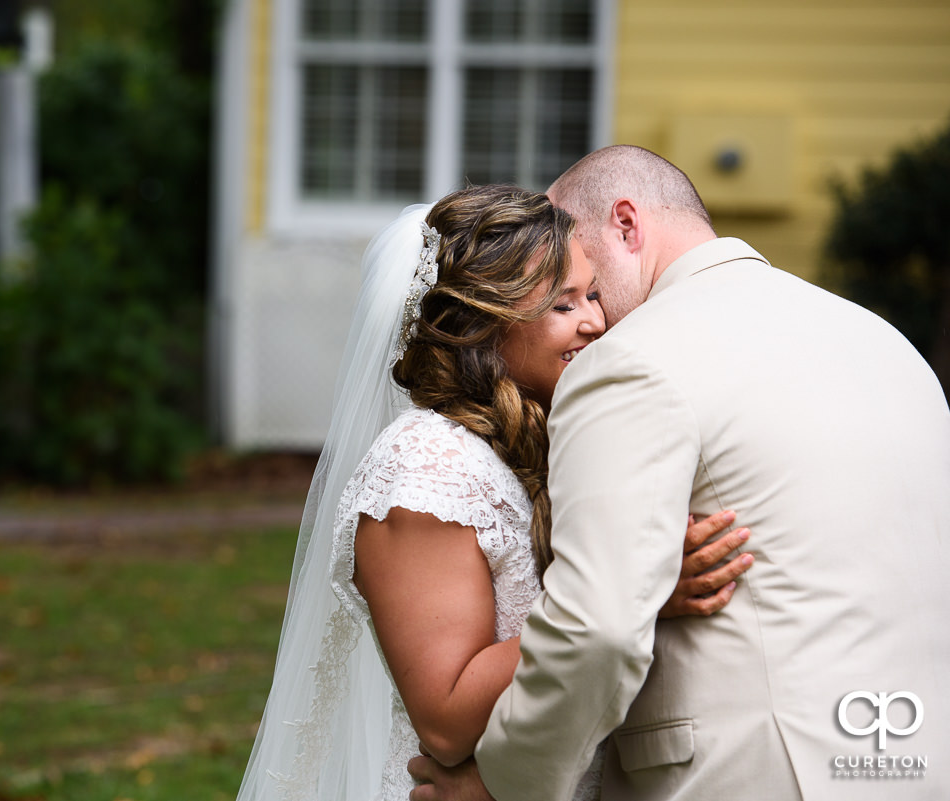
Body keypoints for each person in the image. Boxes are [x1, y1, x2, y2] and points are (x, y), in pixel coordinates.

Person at [410, 146, 950, 801]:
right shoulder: (888, 346)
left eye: (581, 271)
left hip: (749, 775)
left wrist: (502, 786)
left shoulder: (634, 361)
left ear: (627, 225)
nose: (594, 314)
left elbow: (598, 628)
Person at [234, 184, 753, 801]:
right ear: (484, 325)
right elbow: (447, 716)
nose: (596, 321)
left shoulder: (538, 440)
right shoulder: (427, 468)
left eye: (592, 294)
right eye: (564, 305)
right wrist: (636, 593)